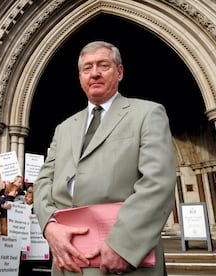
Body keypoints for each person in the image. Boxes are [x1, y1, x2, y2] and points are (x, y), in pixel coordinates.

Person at [34, 41, 176, 276]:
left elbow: (157, 183)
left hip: (124, 259)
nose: (95, 73)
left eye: (103, 65)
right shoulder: (64, 128)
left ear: (119, 72)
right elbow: (43, 183)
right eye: (87, 68)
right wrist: (49, 226)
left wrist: (123, 245)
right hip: (68, 260)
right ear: (80, 77)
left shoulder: (147, 113)